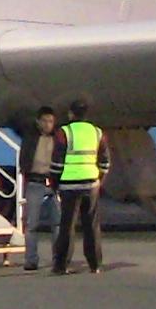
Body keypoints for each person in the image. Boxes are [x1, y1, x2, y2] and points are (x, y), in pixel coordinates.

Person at [54, 98, 109, 274]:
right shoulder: (97, 132)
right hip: (91, 184)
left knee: (67, 226)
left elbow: (57, 162)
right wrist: (99, 178)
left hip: (69, 186)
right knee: (92, 225)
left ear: (71, 113)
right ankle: (95, 264)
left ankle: (61, 265)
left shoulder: (65, 132)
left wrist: (55, 183)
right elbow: (105, 161)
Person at [17, 107, 62, 271]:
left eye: (51, 121)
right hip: (36, 181)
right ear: (38, 121)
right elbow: (24, 157)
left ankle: (58, 258)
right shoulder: (30, 137)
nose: (48, 124)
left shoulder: (58, 138)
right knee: (31, 224)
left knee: (57, 223)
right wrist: (26, 172)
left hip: (54, 182)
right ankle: (31, 259)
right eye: (44, 121)